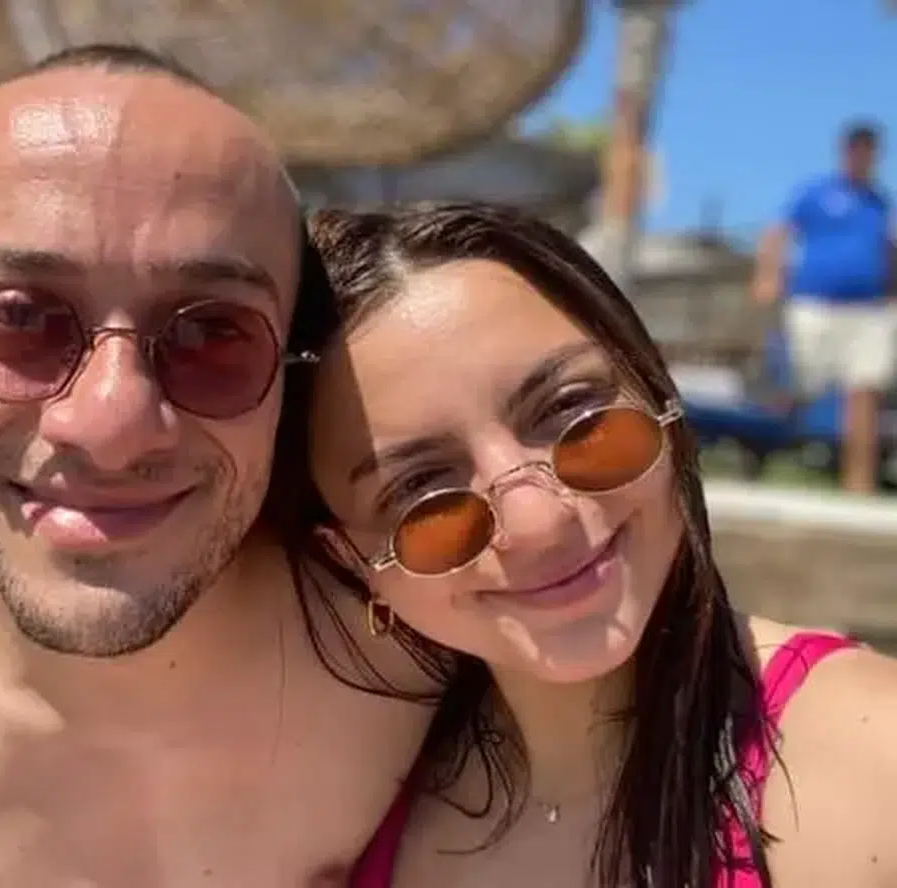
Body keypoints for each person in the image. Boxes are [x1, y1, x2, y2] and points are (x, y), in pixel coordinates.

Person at [0, 45, 439, 888]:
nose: (112, 425)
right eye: (20, 318)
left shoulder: (435, 636)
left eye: (211, 332)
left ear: (287, 365)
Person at [303, 203, 897, 888]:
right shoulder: (338, 801)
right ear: (350, 562)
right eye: (422, 490)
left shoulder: (869, 761)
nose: (537, 520)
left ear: (656, 391)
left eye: (572, 413)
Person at [752, 122, 894, 493]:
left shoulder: (880, 203)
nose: (862, 157)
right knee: (798, 386)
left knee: (865, 390)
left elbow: (888, 251)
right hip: (813, 305)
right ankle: (776, 464)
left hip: (868, 310)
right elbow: (778, 232)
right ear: (845, 151)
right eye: (856, 149)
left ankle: (859, 483)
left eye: (869, 150)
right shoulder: (815, 193)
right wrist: (768, 275)